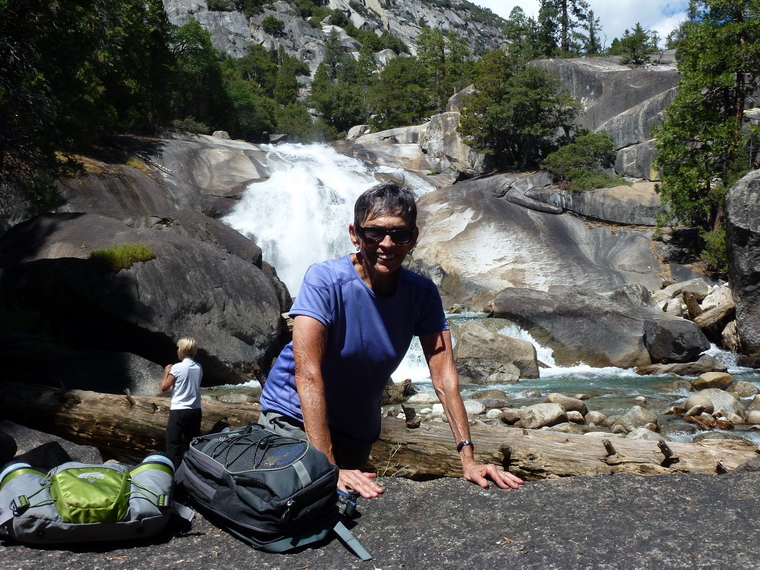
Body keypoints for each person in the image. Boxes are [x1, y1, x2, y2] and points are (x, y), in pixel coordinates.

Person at [259, 182, 523, 498]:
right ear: (354, 234)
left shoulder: (421, 293)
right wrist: (327, 466)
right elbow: (308, 374)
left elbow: (443, 376)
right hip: (293, 418)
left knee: (353, 506)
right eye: (374, 233)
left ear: (414, 238)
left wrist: (468, 458)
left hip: (356, 429)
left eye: (400, 234)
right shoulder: (325, 280)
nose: (387, 243)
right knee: (309, 501)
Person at [161, 337, 203, 465]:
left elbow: (164, 388)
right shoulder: (198, 367)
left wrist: (166, 373)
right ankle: (194, 470)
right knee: (193, 442)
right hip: (195, 410)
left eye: (178, 348)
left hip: (179, 410)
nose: (177, 350)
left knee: (173, 444)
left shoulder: (177, 368)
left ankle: (174, 473)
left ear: (182, 351)